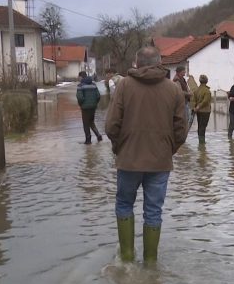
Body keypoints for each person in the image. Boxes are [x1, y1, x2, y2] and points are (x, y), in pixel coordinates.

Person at [105, 46, 187, 264]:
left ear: (136, 63)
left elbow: (111, 125)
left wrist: (119, 147)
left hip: (128, 160)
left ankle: (127, 259)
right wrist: (169, 150)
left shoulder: (124, 86)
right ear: (160, 63)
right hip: (160, 162)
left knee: (124, 205)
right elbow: (181, 130)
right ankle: (150, 265)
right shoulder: (174, 89)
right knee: (153, 211)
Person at [76, 71, 102, 144]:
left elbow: (80, 97)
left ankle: (88, 140)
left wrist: (81, 104)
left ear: (81, 77)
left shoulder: (80, 86)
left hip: (85, 108)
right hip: (93, 107)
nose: (78, 78)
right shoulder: (93, 84)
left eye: (79, 77)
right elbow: (98, 96)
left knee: (86, 124)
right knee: (91, 122)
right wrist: (94, 103)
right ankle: (98, 135)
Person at [193, 74, 212, 143]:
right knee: (203, 127)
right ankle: (202, 143)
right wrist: (198, 107)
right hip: (205, 111)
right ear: (206, 81)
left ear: (200, 81)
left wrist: (195, 108)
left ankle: (200, 142)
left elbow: (193, 100)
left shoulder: (196, 90)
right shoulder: (207, 91)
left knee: (200, 126)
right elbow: (205, 101)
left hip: (198, 111)